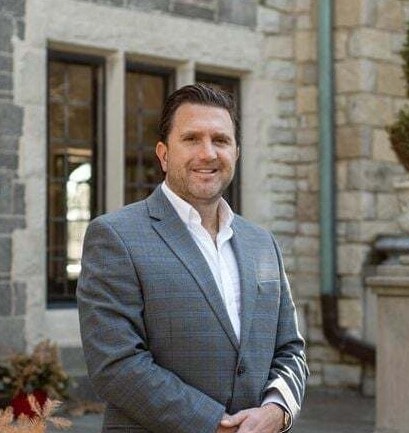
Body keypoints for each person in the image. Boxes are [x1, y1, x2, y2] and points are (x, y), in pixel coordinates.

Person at [77, 83, 308, 433]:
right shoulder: (115, 236)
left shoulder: (262, 243)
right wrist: (218, 425)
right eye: (191, 139)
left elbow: (290, 348)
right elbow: (117, 365)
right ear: (164, 154)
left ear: (236, 153)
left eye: (221, 140)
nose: (208, 153)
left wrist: (278, 409)